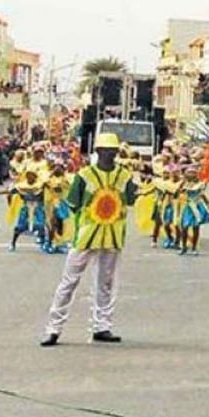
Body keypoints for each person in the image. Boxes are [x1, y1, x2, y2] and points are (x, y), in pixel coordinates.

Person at [40, 133, 141, 346]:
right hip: (85, 236)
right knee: (69, 282)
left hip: (113, 235)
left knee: (105, 283)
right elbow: (73, 203)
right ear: (98, 152)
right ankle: (53, 328)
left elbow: (131, 198)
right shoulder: (84, 175)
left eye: (114, 151)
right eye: (107, 151)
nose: (111, 155)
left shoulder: (124, 175)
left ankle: (102, 326)